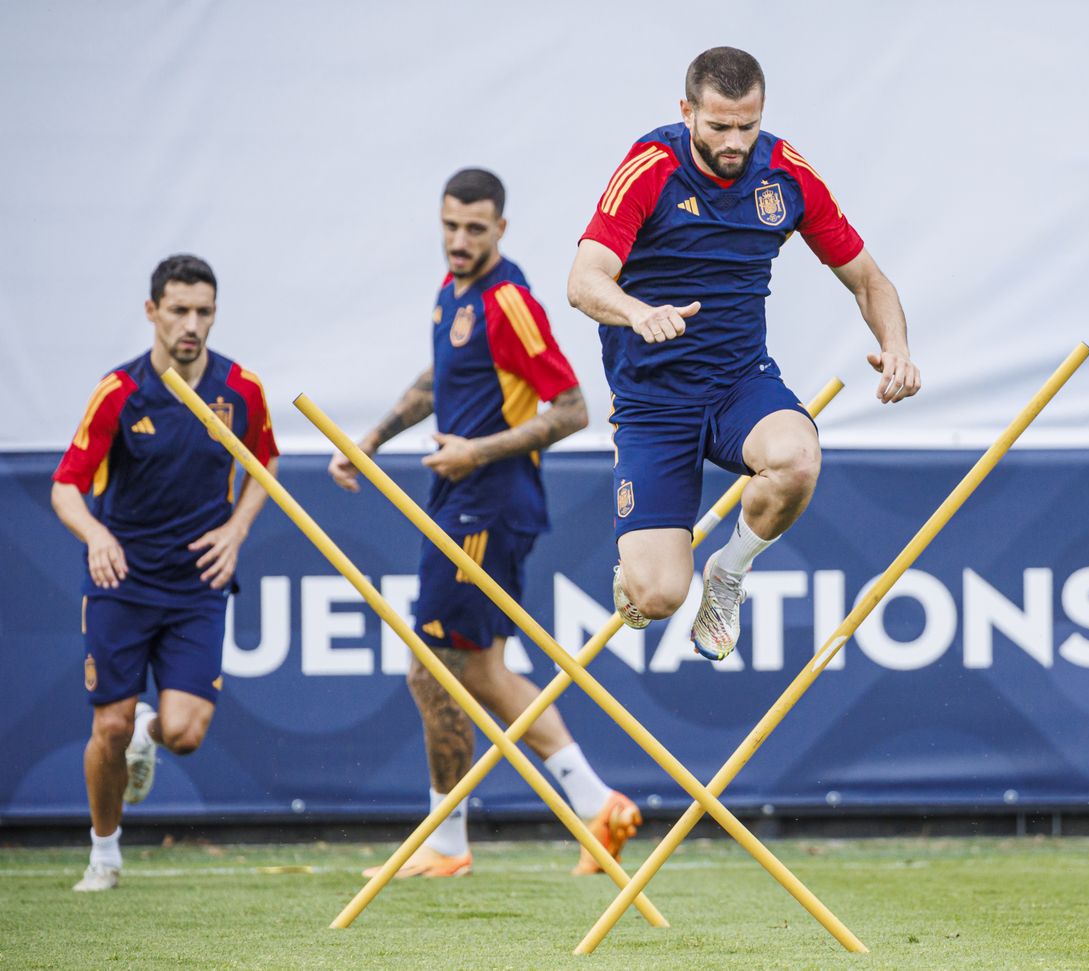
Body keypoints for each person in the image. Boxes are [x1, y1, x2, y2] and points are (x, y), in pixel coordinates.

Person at [329, 168, 638, 878]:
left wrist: (476, 451)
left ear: (501, 228)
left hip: (487, 504)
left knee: (430, 669)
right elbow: (439, 379)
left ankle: (446, 842)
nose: (459, 240)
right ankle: (599, 803)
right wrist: (372, 439)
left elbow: (570, 408)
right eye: (450, 226)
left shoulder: (509, 301)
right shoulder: (452, 291)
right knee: (487, 671)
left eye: (475, 228)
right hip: (464, 500)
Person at [566, 46, 920, 662]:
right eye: (719, 126)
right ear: (687, 111)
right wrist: (637, 311)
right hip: (653, 402)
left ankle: (728, 576)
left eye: (747, 126)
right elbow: (583, 281)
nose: (735, 142)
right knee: (655, 598)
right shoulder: (649, 166)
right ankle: (647, 575)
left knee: (797, 458)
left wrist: (896, 347)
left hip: (739, 382)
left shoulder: (785, 172)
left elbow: (869, 280)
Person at [51, 254, 280, 891]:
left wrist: (235, 532)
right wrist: (95, 535)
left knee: (183, 733)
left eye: (204, 311)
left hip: (197, 584)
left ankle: (149, 736)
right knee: (110, 724)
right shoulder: (119, 392)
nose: (192, 325)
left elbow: (265, 466)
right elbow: (66, 486)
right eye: (178, 310)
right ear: (152, 312)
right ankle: (104, 853)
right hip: (122, 580)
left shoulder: (241, 389)